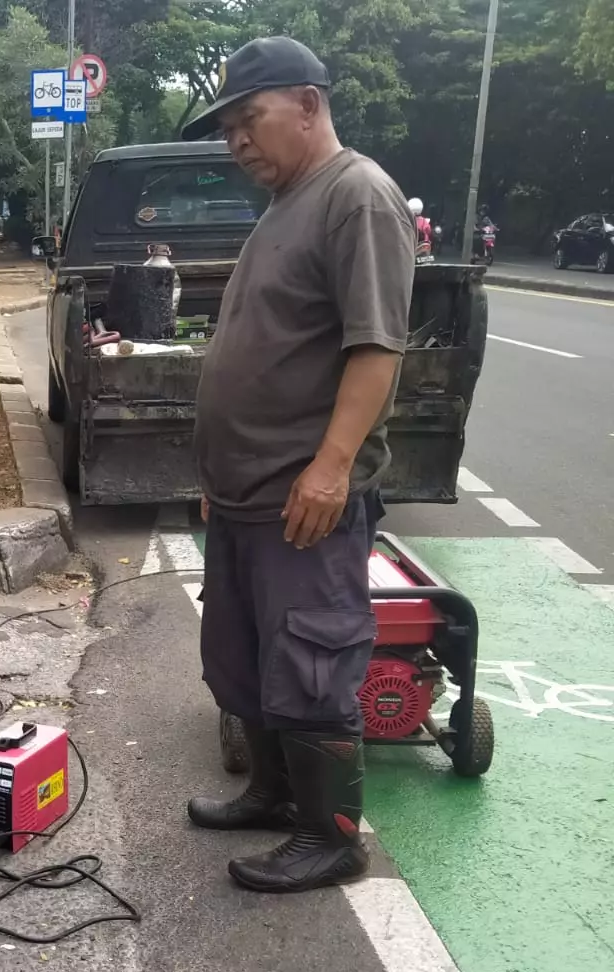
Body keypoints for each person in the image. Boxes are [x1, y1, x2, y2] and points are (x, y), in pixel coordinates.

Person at [181, 36, 414, 892]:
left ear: (308, 104)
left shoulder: (356, 197)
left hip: (302, 499)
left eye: (250, 119)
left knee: (313, 664)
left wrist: (331, 467)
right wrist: (219, 473)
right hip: (247, 495)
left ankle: (332, 837)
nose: (238, 141)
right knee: (246, 658)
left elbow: (376, 349)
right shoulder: (290, 203)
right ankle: (275, 795)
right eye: (230, 128)